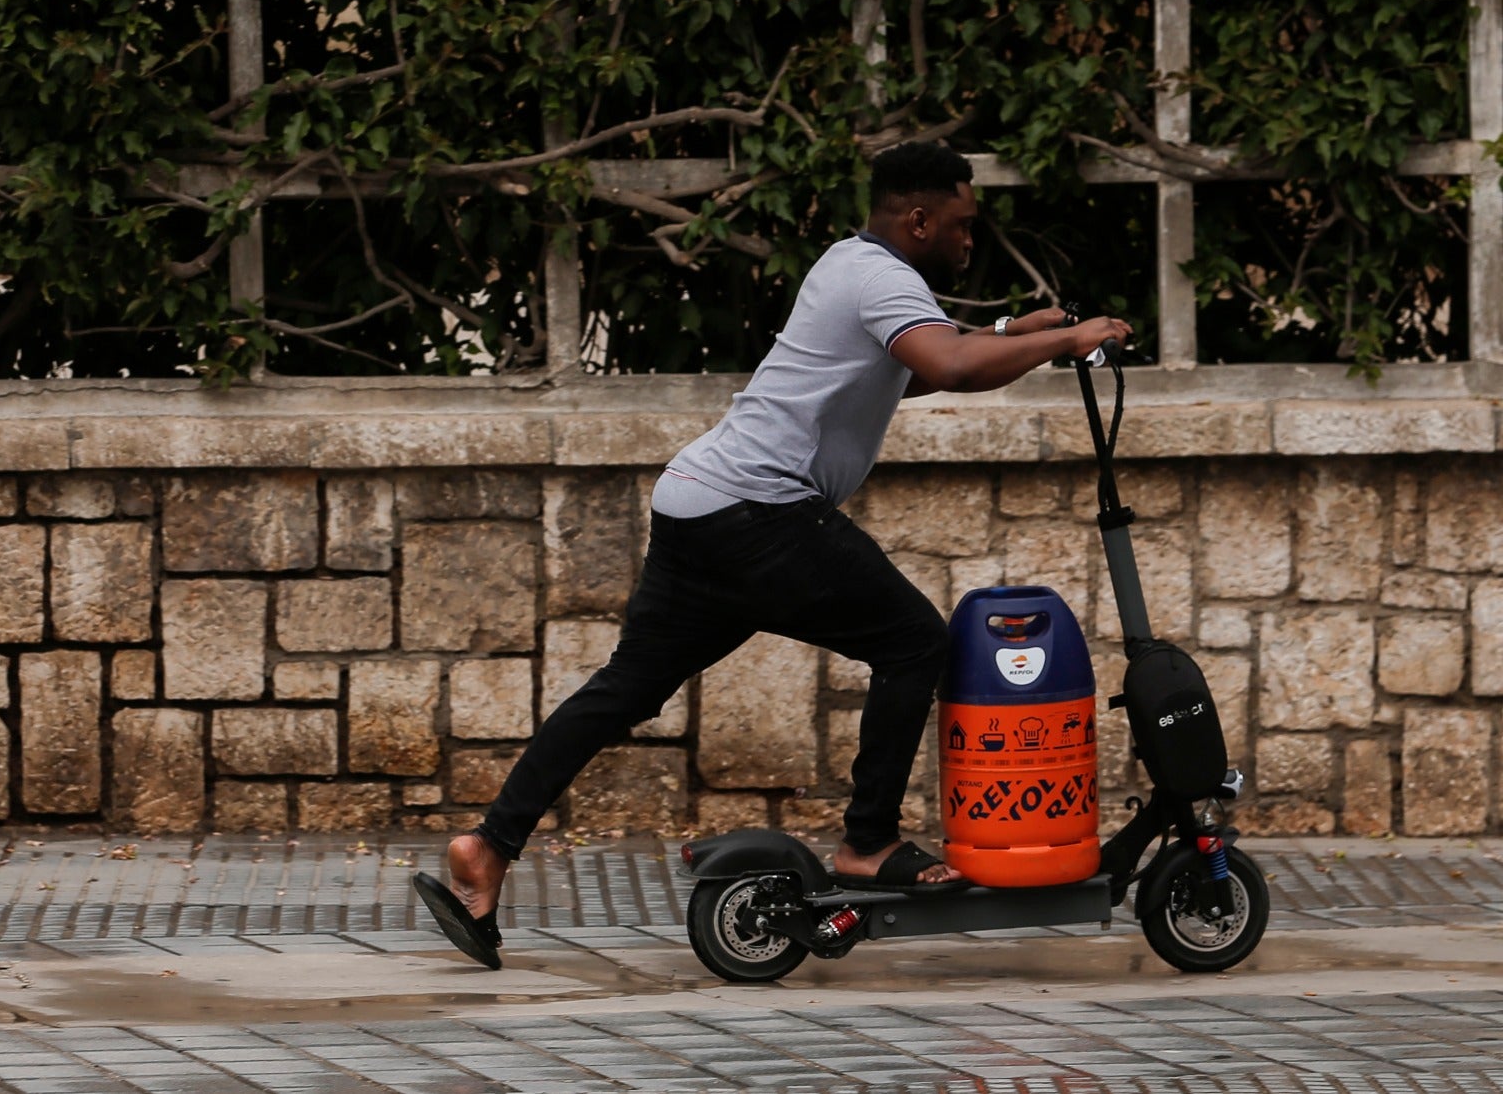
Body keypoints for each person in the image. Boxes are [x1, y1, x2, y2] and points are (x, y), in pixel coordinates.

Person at [413, 141, 1132, 969]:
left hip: (697, 503)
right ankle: (868, 842)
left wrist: (1011, 332)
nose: (970, 240)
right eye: (962, 224)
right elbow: (950, 364)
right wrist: (1067, 340)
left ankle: (488, 845)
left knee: (626, 689)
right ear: (918, 219)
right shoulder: (883, 279)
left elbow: (918, 369)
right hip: (761, 512)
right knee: (914, 642)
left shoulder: (849, 263)